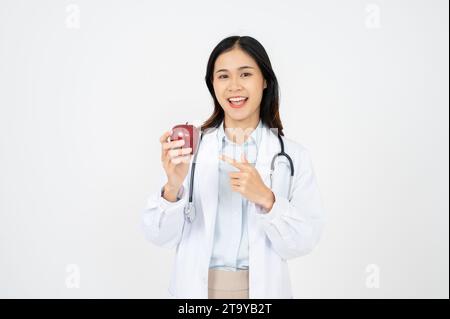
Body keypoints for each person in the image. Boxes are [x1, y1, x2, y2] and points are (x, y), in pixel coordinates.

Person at [142, 35, 326, 299]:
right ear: (213, 85)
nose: (234, 86)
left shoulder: (292, 156)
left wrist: (267, 199)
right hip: (196, 293)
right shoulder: (189, 150)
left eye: (246, 74)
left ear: (265, 81)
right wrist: (172, 187)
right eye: (223, 76)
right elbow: (159, 237)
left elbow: (303, 242)